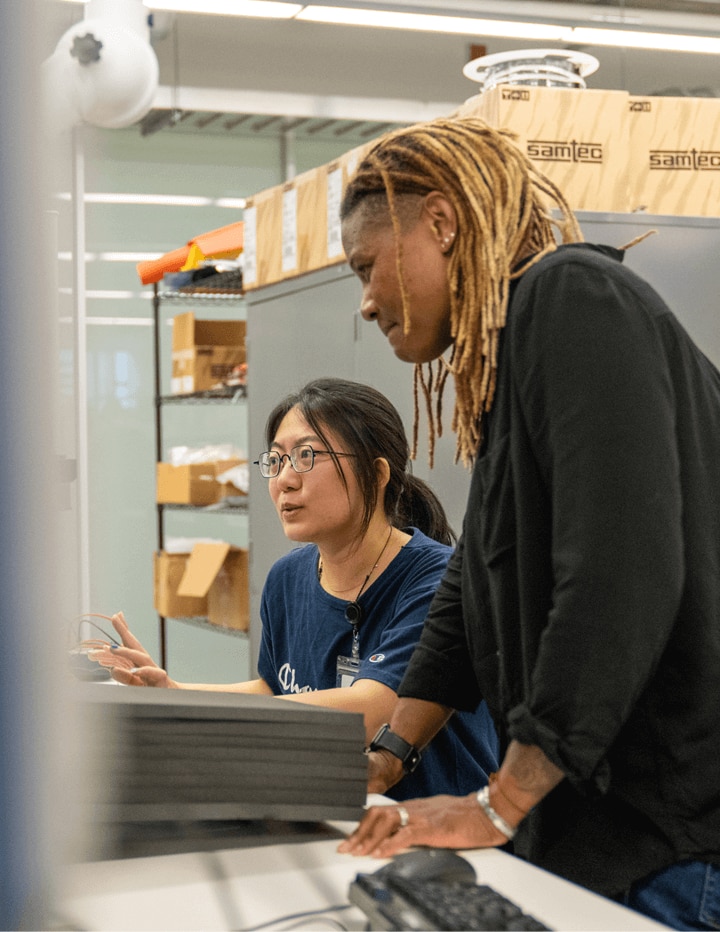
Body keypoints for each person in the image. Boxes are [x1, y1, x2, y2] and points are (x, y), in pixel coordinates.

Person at [335, 117, 720, 931]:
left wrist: (499, 803)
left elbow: (619, 577)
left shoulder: (574, 297)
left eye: (368, 267)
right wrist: (387, 757)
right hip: (599, 841)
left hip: (671, 848)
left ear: (442, 222)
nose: (366, 302)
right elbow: (470, 590)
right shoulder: (514, 364)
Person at [90, 376, 499, 802]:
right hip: (335, 808)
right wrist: (175, 693)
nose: (284, 480)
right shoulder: (287, 577)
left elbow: (371, 711)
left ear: (377, 474)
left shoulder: (435, 577)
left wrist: (204, 717)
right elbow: (273, 688)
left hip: (438, 830)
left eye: (305, 457)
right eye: (276, 461)